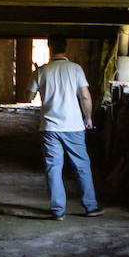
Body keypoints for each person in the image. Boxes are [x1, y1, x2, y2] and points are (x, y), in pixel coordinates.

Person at [25, 36, 103, 219]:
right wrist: (88, 117)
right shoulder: (76, 69)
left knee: (54, 168)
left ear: (49, 47)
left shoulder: (41, 71)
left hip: (50, 128)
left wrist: (37, 85)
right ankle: (90, 207)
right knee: (82, 166)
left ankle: (58, 211)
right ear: (65, 47)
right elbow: (85, 96)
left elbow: (28, 97)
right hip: (74, 126)